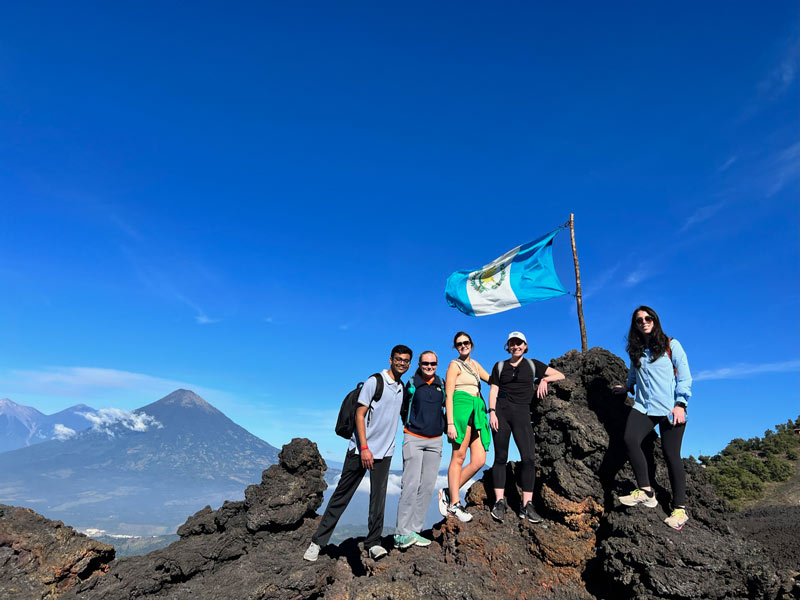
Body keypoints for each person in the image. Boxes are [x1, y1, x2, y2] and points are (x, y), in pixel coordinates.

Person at [303, 345, 412, 562]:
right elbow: (359, 415)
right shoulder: (375, 382)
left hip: (385, 453)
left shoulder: (401, 388)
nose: (402, 363)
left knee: (378, 500)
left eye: (406, 361)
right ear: (390, 360)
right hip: (360, 451)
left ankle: (373, 543)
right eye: (398, 359)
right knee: (341, 496)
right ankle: (317, 542)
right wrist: (364, 448)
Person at [612, 306, 692, 530]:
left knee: (671, 455)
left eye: (648, 318)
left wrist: (681, 404)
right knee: (629, 439)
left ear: (655, 320)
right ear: (635, 325)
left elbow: (684, 376)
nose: (644, 322)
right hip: (644, 407)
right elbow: (634, 372)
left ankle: (679, 510)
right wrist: (627, 387)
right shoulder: (636, 350)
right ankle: (646, 491)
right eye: (639, 320)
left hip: (669, 409)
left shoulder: (671, 345)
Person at [487, 331, 565, 523]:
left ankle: (526, 505)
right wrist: (492, 412)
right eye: (512, 344)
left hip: (522, 413)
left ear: (525, 346)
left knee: (529, 458)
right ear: (508, 346)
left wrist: (544, 380)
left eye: (519, 343)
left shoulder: (533, 365)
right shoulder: (499, 366)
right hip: (502, 413)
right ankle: (499, 502)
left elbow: (560, 375)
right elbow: (494, 389)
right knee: (500, 457)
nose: (515, 346)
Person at [394, 351, 445, 549]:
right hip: (414, 438)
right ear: (419, 364)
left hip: (435, 441)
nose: (429, 366)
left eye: (432, 363)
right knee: (410, 485)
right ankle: (401, 533)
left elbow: (446, 406)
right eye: (425, 363)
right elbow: (402, 409)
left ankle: (414, 530)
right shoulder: (412, 384)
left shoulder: (442, 384)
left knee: (427, 486)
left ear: (437, 364)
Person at [437, 332, 491, 522]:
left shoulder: (475, 365)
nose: (463, 346)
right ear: (455, 347)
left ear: (471, 344)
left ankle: (447, 491)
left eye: (466, 342)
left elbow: (492, 379)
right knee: (458, 457)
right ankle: (454, 504)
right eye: (459, 344)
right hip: (461, 409)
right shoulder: (454, 365)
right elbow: (449, 395)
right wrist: (450, 422)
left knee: (479, 460)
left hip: (477, 410)